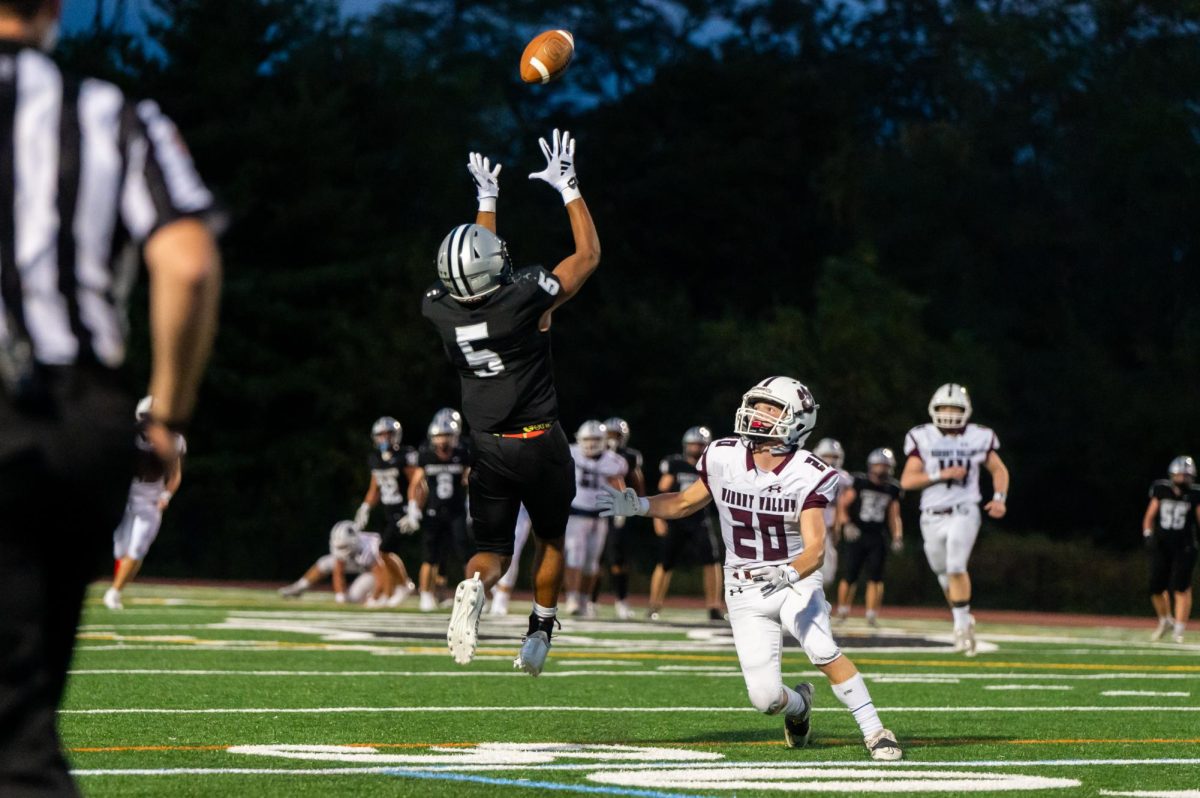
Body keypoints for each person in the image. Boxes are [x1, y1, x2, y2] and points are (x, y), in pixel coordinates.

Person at [0, 2, 222, 791]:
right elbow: (189, 263)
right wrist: (166, 413)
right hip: (70, 415)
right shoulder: (114, 116)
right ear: (52, 11)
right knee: (21, 728)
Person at [598, 377, 902, 760]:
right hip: (743, 587)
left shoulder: (809, 472)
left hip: (794, 579)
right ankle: (801, 706)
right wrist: (639, 505)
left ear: (798, 420)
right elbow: (684, 503)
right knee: (766, 698)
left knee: (822, 648)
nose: (758, 413)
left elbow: (816, 550)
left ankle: (875, 731)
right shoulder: (723, 455)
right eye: (757, 404)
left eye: (771, 408)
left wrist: (789, 573)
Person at [421, 130, 600, 674]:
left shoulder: (439, 309)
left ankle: (474, 585)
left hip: (489, 449)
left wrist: (487, 202)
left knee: (492, 551)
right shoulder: (525, 300)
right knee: (549, 539)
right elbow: (587, 256)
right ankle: (540, 628)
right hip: (540, 442)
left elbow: (478, 267)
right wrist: (568, 185)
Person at [900, 383, 1009, 656]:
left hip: (965, 509)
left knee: (956, 565)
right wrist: (942, 475)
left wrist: (999, 498)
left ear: (966, 411)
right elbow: (908, 480)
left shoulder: (977, 436)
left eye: (955, 408)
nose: (949, 413)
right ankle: (964, 617)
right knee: (942, 571)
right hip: (931, 515)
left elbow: (999, 469)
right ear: (933, 409)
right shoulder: (922, 436)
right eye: (944, 408)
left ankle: (961, 629)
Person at [103, 396, 187, 610]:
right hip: (128, 494)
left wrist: (166, 496)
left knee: (138, 547)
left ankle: (114, 592)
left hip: (150, 498)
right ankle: (117, 586)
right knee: (120, 549)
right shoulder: (129, 437)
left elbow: (175, 475)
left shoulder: (173, 440)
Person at [648, 426, 724, 621]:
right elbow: (662, 491)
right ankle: (654, 605)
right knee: (665, 562)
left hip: (701, 519)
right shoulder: (676, 464)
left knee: (712, 561)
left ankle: (714, 606)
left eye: (699, 445)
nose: (695, 449)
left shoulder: (710, 466)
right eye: (692, 445)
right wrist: (658, 517)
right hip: (677, 519)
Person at [406, 412, 474, 611]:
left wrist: (472, 504)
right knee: (430, 555)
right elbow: (416, 483)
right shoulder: (426, 454)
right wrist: (413, 507)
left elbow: (470, 479)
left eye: (446, 435)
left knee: (465, 552)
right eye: (439, 436)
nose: (442, 440)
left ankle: (473, 594)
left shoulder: (463, 453)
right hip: (434, 512)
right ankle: (425, 594)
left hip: (457, 511)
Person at [562, 420, 627, 617]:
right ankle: (572, 598)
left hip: (599, 517)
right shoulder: (569, 452)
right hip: (575, 513)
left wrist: (621, 509)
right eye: (587, 439)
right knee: (574, 556)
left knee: (591, 562)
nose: (590, 444)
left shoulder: (614, 461)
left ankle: (584, 599)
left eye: (595, 439)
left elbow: (618, 484)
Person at [352, 415, 418, 605]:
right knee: (384, 553)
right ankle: (389, 592)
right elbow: (375, 488)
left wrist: (414, 508)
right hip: (387, 511)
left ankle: (403, 585)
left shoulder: (405, 455)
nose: (384, 439)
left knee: (384, 550)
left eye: (388, 434)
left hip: (403, 510)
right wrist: (365, 507)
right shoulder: (375, 459)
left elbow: (417, 483)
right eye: (380, 435)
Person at [834, 448, 904, 627]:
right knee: (850, 574)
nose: (882, 470)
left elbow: (894, 514)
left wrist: (897, 536)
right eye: (879, 465)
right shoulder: (859, 482)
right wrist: (846, 524)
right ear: (872, 466)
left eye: (886, 466)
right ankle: (842, 611)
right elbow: (842, 504)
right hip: (857, 533)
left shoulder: (892, 488)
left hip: (877, 536)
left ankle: (872, 614)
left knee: (876, 576)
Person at [1142, 456, 1199, 643]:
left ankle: (1179, 631)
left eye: (1187, 475)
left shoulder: (1195, 494)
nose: (1183, 479)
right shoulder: (1161, 489)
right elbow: (1149, 516)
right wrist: (1148, 534)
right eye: (1180, 475)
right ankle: (1165, 620)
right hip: (1162, 544)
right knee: (1155, 586)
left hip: (1185, 546)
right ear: (1172, 474)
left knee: (1181, 587)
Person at [597, 416, 645, 618]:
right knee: (593, 559)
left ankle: (621, 601)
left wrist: (638, 504)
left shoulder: (629, 456)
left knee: (617, 557)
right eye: (608, 435)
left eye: (615, 435)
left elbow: (637, 483)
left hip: (617, 510)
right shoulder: (593, 453)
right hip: (594, 508)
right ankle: (587, 600)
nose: (611, 439)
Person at [279, 521, 382, 605]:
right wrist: (340, 596)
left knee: (354, 597)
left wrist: (376, 596)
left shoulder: (369, 548)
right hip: (357, 564)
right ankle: (299, 587)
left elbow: (382, 574)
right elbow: (338, 570)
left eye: (343, 547)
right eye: (339, 547)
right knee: (324, 563)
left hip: (372, 572)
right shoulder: (344, 544)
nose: (341, 550)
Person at [812, 438, 852, 589]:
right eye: (827, 455)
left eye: (834, 456)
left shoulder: (843, 479)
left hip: (827, 529)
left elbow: (840, 506)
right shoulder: (807, 473)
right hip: (804, 527)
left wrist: (838, 527)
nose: (831, 460)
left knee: (827, 574)